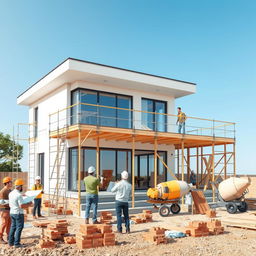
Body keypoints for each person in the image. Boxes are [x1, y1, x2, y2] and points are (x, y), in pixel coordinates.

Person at [8, 179, 32, 248]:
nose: (22, 187)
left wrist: (22, 195)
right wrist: (29, 204)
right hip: (18, 213)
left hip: (12, 212)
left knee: (13, 227)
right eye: (22, 186)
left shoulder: (11, 193)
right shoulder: (18, 195)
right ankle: (17, 243)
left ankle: (10, 242)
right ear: (20, 186)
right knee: (19, 227)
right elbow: (22, 206)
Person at [0, 177, 13, 244]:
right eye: (10, 182)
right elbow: (1, 202)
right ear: (7, 183)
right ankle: (0, 237)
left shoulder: (10, 190)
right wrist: (10, 202)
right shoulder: (3, 191)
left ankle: (9, 236)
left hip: (9, 209)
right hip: (4, 210)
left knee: (9, 224)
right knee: (4, 223)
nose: (11, 183)